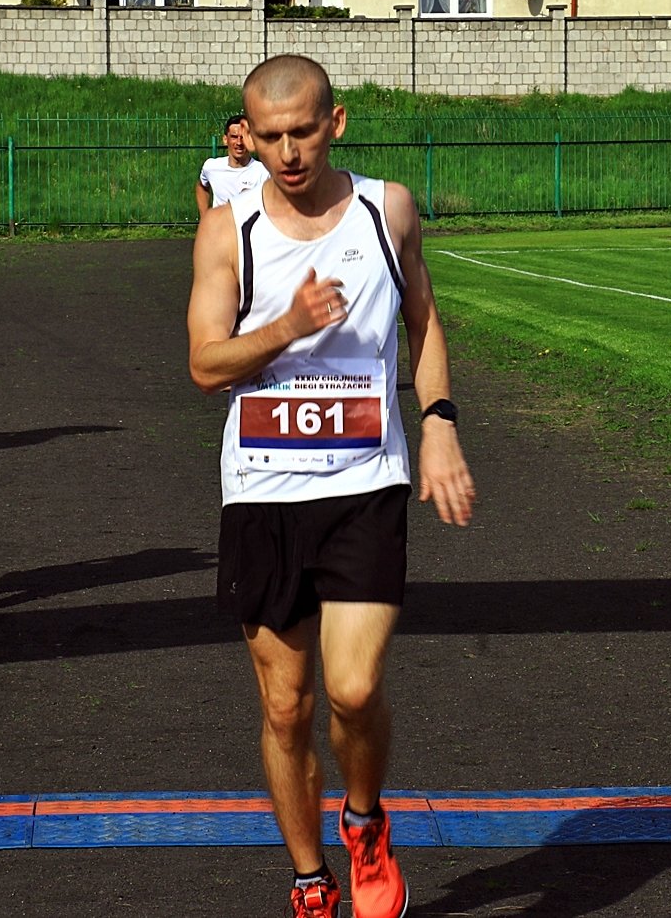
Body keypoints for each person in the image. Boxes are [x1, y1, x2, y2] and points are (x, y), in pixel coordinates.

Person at [187, 55, 475, 918]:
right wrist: (286, 325)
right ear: (247, 134)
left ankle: (364, 819)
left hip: (364, 482)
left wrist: (439, 421)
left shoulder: (388, 210)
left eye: (304, 132)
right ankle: (311, 877)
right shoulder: (228, 230)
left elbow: (423, 319)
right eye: (271, 136)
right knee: (286, 706)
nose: (289, 152)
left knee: (351, 688)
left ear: (335, 122)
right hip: (263, 490)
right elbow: (206, 363)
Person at [195, 113, 270, 217]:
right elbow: (202, 187)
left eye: (243, 137)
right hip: (220, 226)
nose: (239, 143)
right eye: (234, 137)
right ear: (225, 140)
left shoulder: (264, 172)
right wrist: (204, 217)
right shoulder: (211, 167)